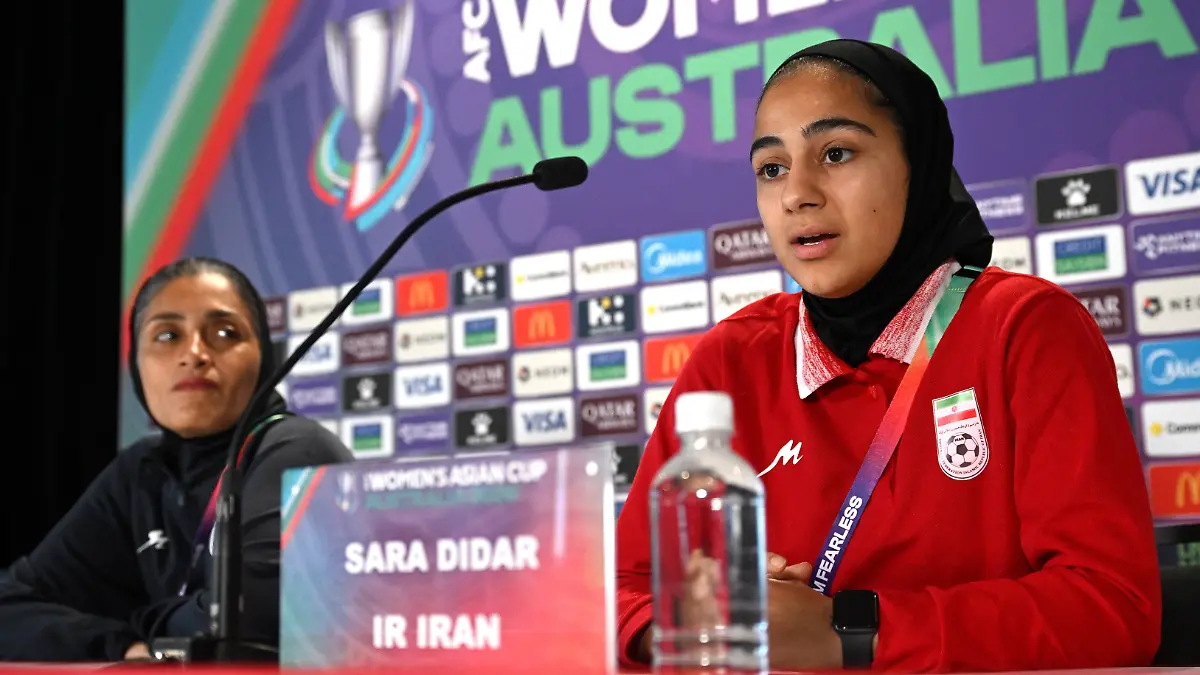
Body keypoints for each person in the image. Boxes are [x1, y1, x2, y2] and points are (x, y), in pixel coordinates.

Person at [615, 39, 1161, 672]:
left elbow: (1112, 607)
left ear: (917, 164)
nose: (797, 194)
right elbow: (622, 589)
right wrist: (710, 622)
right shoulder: (731, 358)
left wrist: (847, 632)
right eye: (771, 168)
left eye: (837, 153)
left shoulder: (1027, 330)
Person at [0, 257, 354, 661]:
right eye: (167, 336)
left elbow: (244, 620)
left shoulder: (297, 452)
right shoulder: (139, 471)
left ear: (263, 360)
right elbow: (10, 604)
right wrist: (122, 645)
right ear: (136, 363)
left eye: (224, 332)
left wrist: (139, 624)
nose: (195, 354)